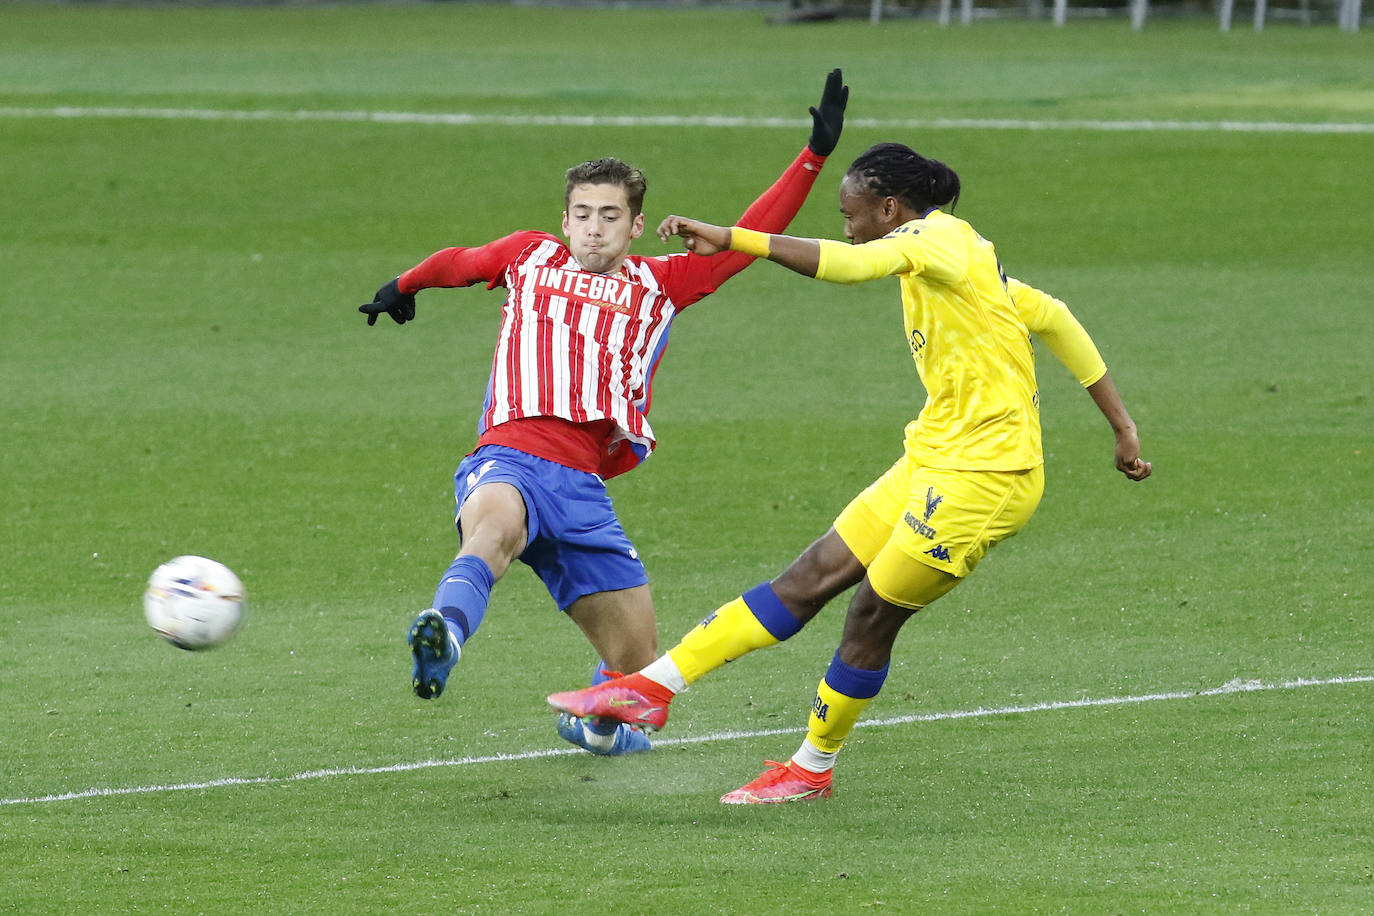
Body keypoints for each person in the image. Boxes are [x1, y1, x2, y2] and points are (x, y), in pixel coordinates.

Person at [549, 141, 1151, 796]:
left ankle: (810, 769)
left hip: (988, 478)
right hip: (932, 459)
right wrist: (1121, 427)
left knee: (869, 613)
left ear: (889, 209)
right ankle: (649, 690)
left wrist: (735, 239)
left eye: (852, 212)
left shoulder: (934, 242)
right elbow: (1052, 316)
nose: (847, 225)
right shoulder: (958, 263)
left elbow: (852, 265)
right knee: (810, 577)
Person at [358, 71, 849, 757]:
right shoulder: (529, 255)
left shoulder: (664, 283)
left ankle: (596, 729)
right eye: (582, 214)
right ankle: (444, 632)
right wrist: (404, 285)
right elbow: (463, 262)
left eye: (609, 216)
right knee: (491, 531)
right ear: (564, 220)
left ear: (636, 224)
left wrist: (814, 155)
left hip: (582, 487)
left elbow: (755, 234)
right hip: (510, 456)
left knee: (636, 666)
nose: (593, 229)